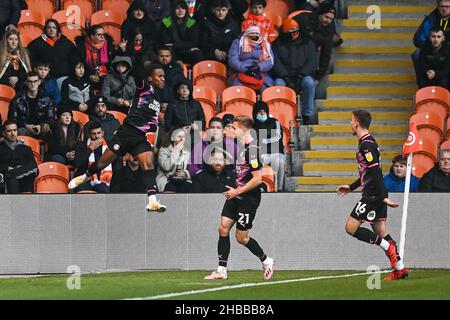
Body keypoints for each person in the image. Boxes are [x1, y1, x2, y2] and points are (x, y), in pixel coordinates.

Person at [68, 63, 167, 212]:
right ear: (150, 78)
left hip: (140, 137)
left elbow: (149, 119)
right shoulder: (145, 88)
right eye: (159, 76)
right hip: (126, 134)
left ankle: (152, 202)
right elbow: (138, 73)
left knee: (148, 166)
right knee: (101, 163)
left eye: (164, 76)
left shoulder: (157, 98)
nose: (163, 79)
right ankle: (85, 176)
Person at [336, 110, 408, 281]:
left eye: (351, 120)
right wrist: (352, 187)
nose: (349, 123)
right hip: (376, 192)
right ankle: (400, 268)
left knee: (350, 228)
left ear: (357, 124)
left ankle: (387, 248)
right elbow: (367, 172)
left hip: (373, 195)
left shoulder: (366, 145)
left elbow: (375, 172)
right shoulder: (368, 142)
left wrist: (382, 196)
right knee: (381, 231)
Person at [204, 115, 274, 281]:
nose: (230, 130)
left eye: (233, 128)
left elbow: (258, 179)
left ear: (243, 129)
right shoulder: (242, 148)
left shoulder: (253, 150)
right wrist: (236, 191)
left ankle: (266, 260)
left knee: (241, 238)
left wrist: (237, 191)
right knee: (223, 228)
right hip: (237, 194)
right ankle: (221, 270)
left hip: (248, 199)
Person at [271, 18, 318, 125]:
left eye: (296, 31)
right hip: (283, 77)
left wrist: (301, 75)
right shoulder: (277, 44)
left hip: (302, 76)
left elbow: (312, 62)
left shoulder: (308, 42)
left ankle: (307, 114)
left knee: (309, 83)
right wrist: (286, 77)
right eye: (292, 32)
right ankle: (281, 115)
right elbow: (276, 63)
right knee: (278, 85)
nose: (295, 34)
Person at [294, 6, 341, 85]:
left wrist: (318, 78)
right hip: (293, 50)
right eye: (326, 17)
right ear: (320, 14)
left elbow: (326, 55)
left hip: (309, 55)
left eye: (331, 19)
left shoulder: (329, 30)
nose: (328, 21)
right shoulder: (304, 18)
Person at [412, 0, 450, 85]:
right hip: (432, 51)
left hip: (447, 52)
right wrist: (432, 44)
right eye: (442, 6)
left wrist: (444, 46)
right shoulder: (431, 18)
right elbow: (417, 39)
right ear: (437, 6)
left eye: (447, 7)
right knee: (417, 54)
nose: (444, 9)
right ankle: (422, 87)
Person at [8, 72, 55, 139]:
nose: (32, 84)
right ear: (26, 83)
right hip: (25, 129)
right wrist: (26, 126)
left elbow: (51, 119)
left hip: (41, 129)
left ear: (39, 82)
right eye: (30, 81)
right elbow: (12, 120)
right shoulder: (17, 99)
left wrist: (41, 126)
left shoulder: (47, 99)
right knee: (21, 131)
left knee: (50, 130)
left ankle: (44, 149)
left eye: (35, 81)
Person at [228, 26, 274, 92]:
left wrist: (259, 67)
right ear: (247, 34)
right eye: (251, 34)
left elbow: (270, 62)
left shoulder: (265, 44)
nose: (254, 36)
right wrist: (246, 69)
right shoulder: (238, 42)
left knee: (267, 91)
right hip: (240, 73)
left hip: (260, 73)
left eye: (256, 34)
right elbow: (232, 60)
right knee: (238, 91)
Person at [252, 101, 285, 191]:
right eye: (259, 112)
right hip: (261, 154)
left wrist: (263, 141)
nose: (262, 114)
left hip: (276, 152)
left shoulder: (275, 122)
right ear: (255, 113)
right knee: (254, 162)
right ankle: (258, 187)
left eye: (264, 111)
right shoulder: (252, 126)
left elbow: (278, 136)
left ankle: (280, 188)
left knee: (280, 162)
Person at [72, 121, 112, 193]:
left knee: (106, 190)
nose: (96, 136)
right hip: (85, 180)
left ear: (102, 133)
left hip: (103, 181)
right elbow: (77, 164)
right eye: (93, 134)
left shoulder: (109, 146)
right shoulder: (82, 146)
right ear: (89, 135)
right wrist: (90, 149)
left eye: (99, 133)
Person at [160, 0, 204, 65]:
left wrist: (174, 45)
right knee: (166, 53)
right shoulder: (166, 22)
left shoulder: (192, 22)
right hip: (172, 52)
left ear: (186, 10)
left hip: (187, 51)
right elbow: (166, 43)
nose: (180, 11)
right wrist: (184, 45)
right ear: (173, 10)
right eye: (177, 8)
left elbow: (193, 42)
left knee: (198, 54)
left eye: (183, 8)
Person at [0, 120, 38, 194]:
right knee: (12, 180)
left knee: (30, 174)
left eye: (15, 130)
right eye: (9, 131)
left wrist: (10, 173)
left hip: (24, 180)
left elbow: (33, 166)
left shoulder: (26, 149)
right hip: (8, 182)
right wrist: (8, 168)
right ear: (3, 133)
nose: (12, 133)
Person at [75, 25, 116, 91]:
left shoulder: (109, 46)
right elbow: (78, 64)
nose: (102, 37)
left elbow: (115, 63)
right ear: (92, 36)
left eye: (103, 34)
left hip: (105, 76)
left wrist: (122, 51)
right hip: (88, 75)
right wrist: (89, 75)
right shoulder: (82, 47)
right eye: (99, 35)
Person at [156, 127, 192, 193]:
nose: (181, 139)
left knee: (188, 186)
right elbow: (166, 167)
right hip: (166, 178)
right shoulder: (163, 150)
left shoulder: (187, 152)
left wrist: (185, 173)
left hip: (181, 179)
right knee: (170, 187)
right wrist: (176, 151)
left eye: (183, 137)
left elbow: (190, 168)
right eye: (179, 136)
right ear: (172, 138)